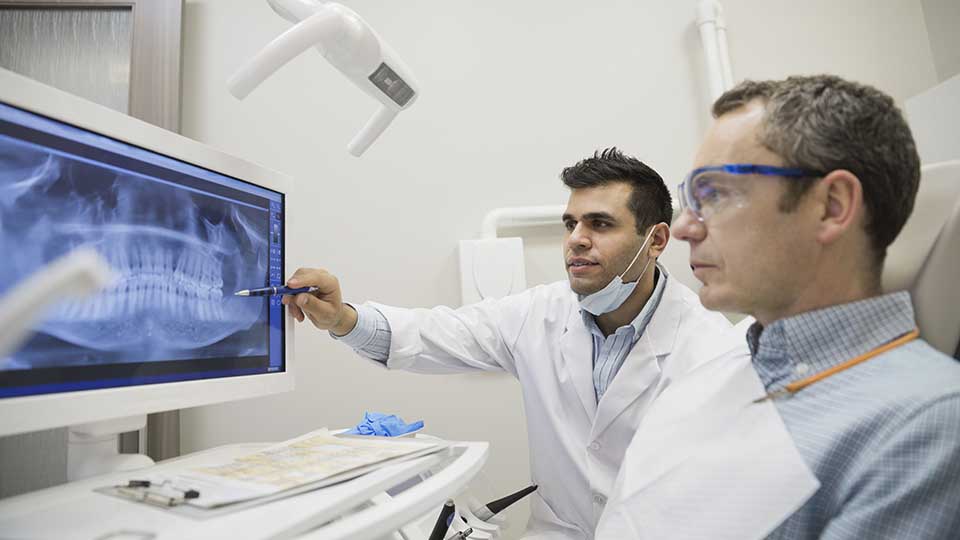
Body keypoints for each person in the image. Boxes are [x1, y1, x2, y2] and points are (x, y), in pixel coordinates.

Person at [282, 148, 735, 539]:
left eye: (599, 223)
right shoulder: (538, 314)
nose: (576, 239)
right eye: (571, 223)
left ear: (655, 240)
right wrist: (342, 319)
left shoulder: (712, 348)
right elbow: (434, 334)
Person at [597, 75, 960, 539]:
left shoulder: (926, 427)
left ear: (831, 205)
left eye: (715, 194)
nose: (685, 227)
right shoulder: (720, 367)